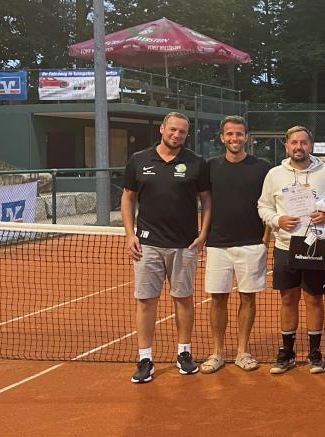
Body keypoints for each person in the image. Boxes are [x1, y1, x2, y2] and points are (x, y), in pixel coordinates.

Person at [123, 111, 212, 383]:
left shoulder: (197, 162)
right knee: (146, 301)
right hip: (147, 244)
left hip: (185, 245)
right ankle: (145, 358)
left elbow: (207, 200)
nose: (177, 135)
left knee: (183, 299)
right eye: (172, 129)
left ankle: (184, 352)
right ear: (162, 129)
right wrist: (130, 234)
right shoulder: (139, 160)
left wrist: (203, 233)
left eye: (182, 132)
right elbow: (128, 199)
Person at [257, 125, 325, 375]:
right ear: (287, 146)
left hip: (315, 244)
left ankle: (315, 353)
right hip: (284, 246)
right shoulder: (274, 174)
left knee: (314, 298)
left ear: (310, 146)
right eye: (294, 142)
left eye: (303, 142)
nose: (299, 147)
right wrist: (276, 221)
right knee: (288, 298)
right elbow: (263, 206)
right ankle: (287, 352)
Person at [200, 115, 271, 374]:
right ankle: (217, 352)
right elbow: (203, 201)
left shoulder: (262, 167)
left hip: (251, 244)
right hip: (217, 244)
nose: (234, 139)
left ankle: (243, 351)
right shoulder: (210, 167)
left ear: (246, 137)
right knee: (217, 299)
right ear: (222, 138)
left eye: (239, 134)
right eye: (229, 134)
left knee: (247, 298)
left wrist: (265, 238)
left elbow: (270, 203)